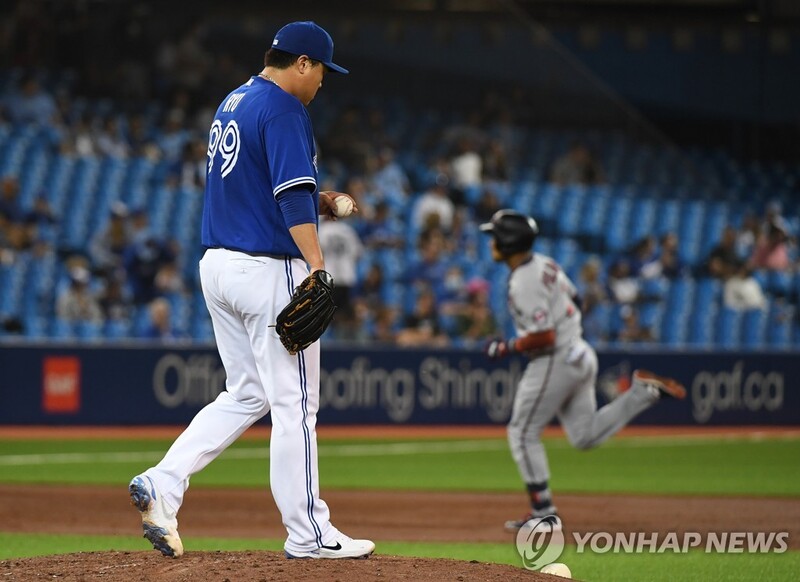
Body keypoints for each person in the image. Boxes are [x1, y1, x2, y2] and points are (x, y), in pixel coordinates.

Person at [128, 21, 374, 560]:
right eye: (322, 72)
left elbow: (261, 186)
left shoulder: (235, 100)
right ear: (302, 63)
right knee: (296, 404)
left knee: (247, 393)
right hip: (268, 268)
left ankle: (164, 483)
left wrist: (323, 201)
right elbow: (287, 196)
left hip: (217, 264)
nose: (323, 83)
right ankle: (309, 534)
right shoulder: (287, 108)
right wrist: (317, 267)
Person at [478, 210, 686, 533]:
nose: (491, 241)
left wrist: (505, 348)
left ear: (508, 241)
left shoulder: (522, 280)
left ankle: (544, 513)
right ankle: (642, 393)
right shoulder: (546, 263)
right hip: (580, 352)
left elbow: (544, 335)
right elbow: (578, 299)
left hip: (555, 358)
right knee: (584, 435)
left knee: (521, 433)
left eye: (495, 235)